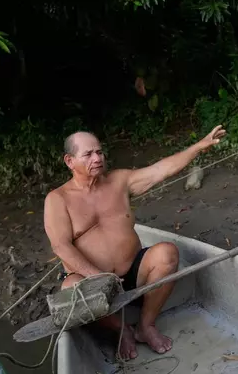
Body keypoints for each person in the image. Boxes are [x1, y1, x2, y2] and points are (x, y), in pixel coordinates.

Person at [43, 125, 226, 359]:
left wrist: (199, 146)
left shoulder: (120, 180)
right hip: (93, 281)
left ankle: (146, 325)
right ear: (69, 161)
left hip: (133, 272)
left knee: (167, 253)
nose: (97, 158)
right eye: (88, 154)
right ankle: (122, 329)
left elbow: (161, 169)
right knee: (70, 288)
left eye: (99, 152)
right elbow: (61, 246)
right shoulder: (57, 199)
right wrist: (98, 277)